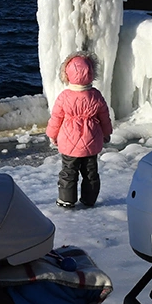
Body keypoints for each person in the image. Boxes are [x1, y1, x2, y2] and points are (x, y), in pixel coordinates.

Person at [46, 52, 113, 208]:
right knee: (90, 173)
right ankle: (89, 200)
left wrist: (52, 135)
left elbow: (56, 118)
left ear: (67, 75)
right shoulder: (95, 95)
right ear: (91, 73)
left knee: (68, 172)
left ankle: (66, 200)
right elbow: (104, 116)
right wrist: (106, 132)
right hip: (92, 141)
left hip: (69, 143)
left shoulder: (64, 96)